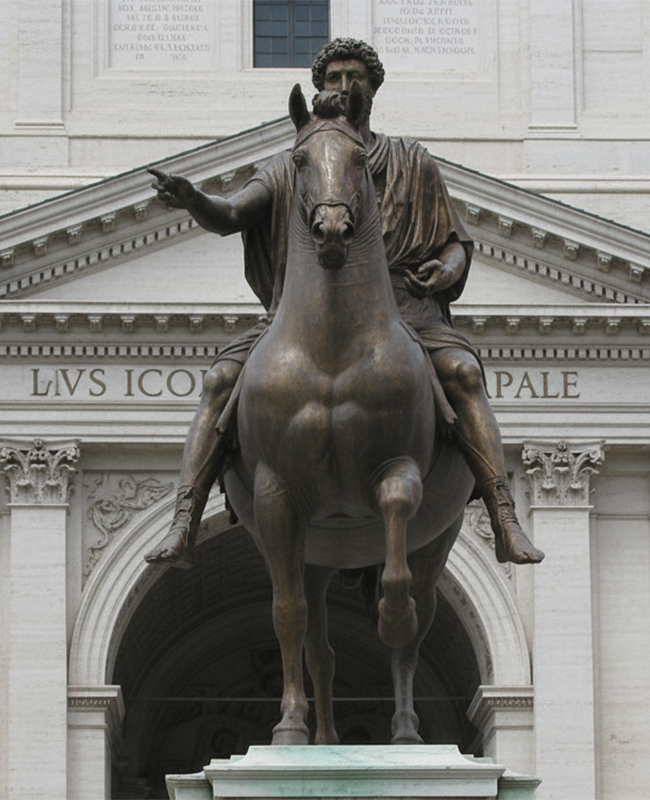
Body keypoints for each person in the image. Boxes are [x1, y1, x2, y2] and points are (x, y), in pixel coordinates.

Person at [145, 38, 543, 568]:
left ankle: (503, 516)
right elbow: (234, 212)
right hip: (300, 312)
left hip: (409, 309)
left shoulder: (411, 160)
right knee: (219, 382)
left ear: (371, 91)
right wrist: (195, 199)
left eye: (355, 77)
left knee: (466, 375)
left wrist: (445, 270)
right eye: (333, 77)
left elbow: (454, 243)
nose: (343, 85)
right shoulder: (293, 164)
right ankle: (184, 520)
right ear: (318, 89)